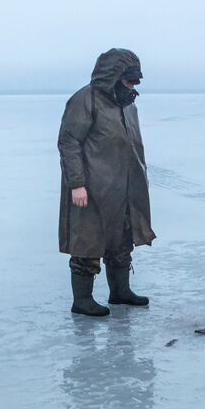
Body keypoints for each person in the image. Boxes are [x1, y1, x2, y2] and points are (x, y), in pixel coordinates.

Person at [57, 49, 155, 317]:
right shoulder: (85, 99)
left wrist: (140, 177)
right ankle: (82, 300)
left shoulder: (128, 104)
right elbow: (69, 142)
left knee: (121, 240)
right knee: (87, 241)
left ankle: (120, 292)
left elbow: (133, 145)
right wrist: (77, 183)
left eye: (136, 81)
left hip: (124, 187)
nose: (133, 86)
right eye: (129, 80)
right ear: (113, 76)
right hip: (91, 187)